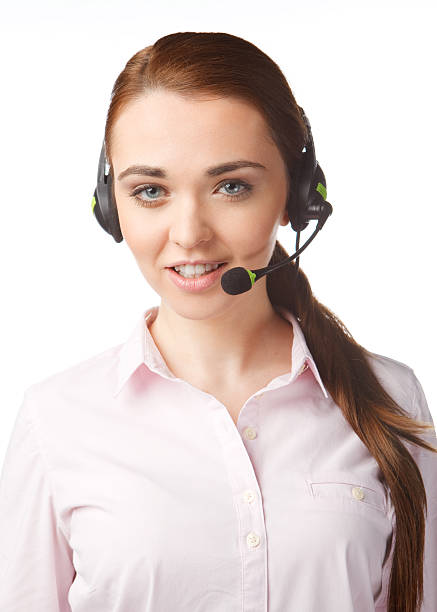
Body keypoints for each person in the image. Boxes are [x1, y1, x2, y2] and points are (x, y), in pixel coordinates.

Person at [0, 31, 436, 612]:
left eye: (231, 186)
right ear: (110, 205)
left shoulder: (390, 399)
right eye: (151, 190)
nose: (189, 233)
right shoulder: (56, 421)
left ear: (298, 196)